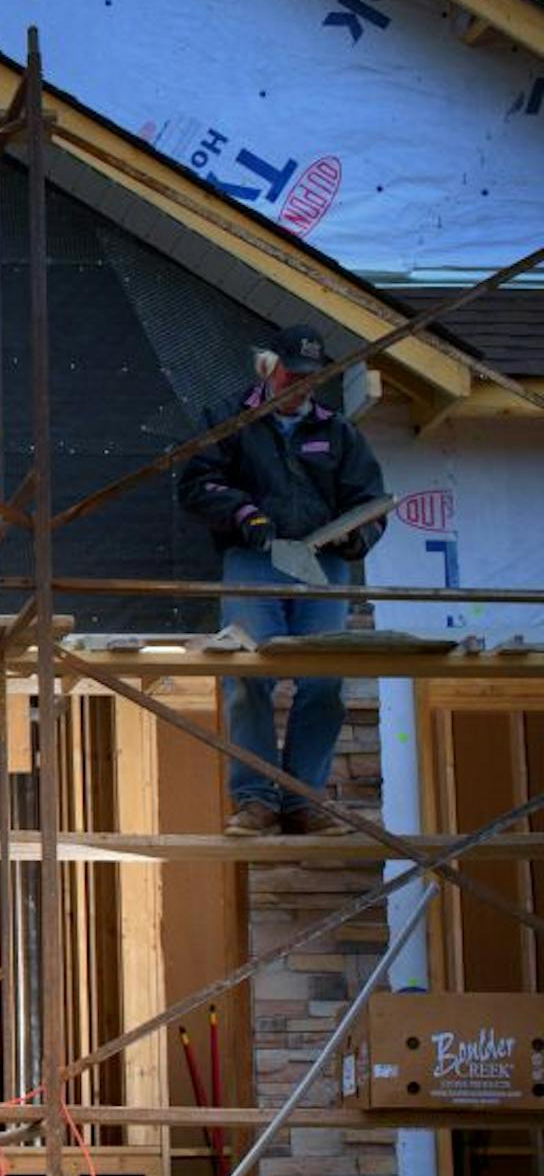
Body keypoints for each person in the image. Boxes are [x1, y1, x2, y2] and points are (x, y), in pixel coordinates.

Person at [177, 323, 386, 837]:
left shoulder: (338, 432)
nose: (301, 386)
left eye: (312, 378)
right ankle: (256, 801)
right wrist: (243, 513)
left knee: (324, 682)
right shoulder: (230, 421)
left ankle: (302, 803)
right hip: (253, 559)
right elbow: (195, 483)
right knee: (249, 675)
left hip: (322, 565)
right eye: (293, 374)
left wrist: (353, 537)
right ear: (268, 367)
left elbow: (372, 503)